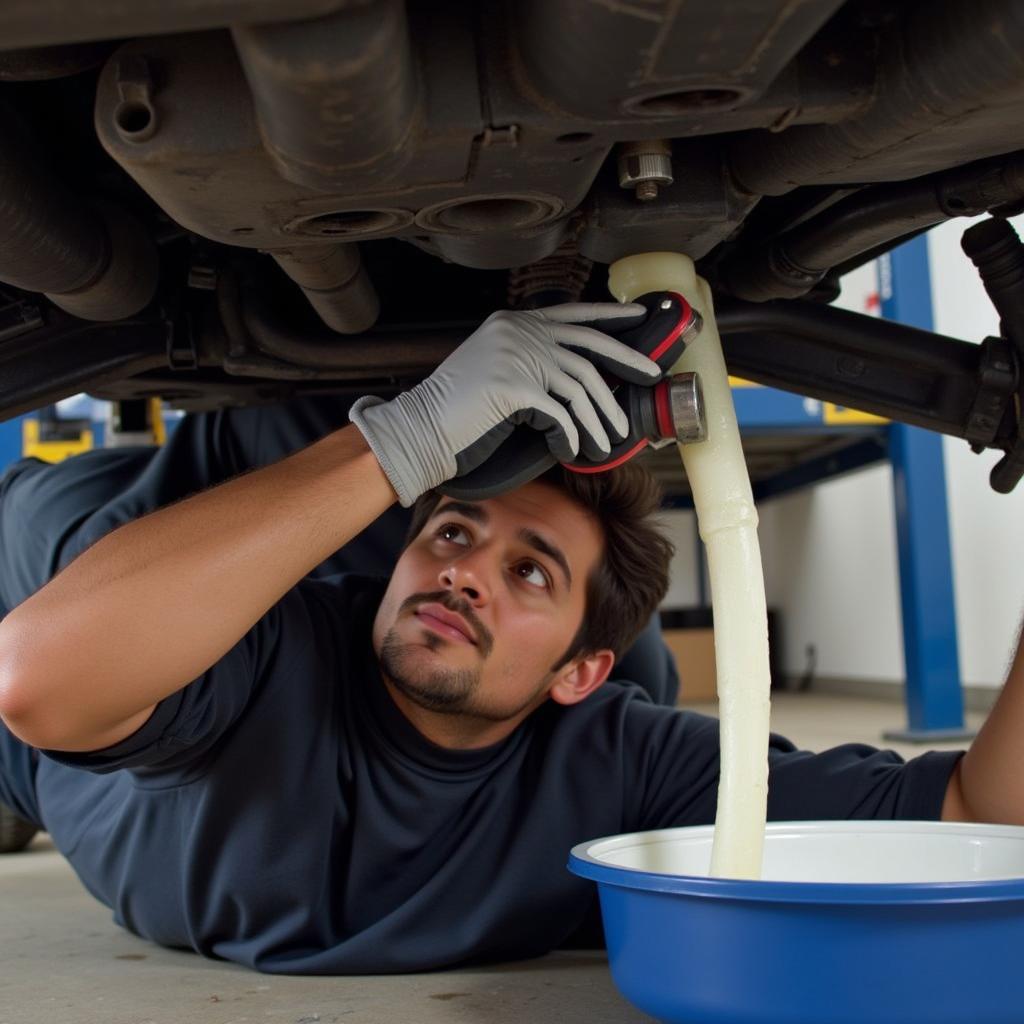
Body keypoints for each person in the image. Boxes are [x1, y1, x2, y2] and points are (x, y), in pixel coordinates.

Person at [0, 302, 1017, 975]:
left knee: (636, 651)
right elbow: (37, 670)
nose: (465, 570)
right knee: (172, 496)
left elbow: (979, 811)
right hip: (84, 556)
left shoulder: (618, 757)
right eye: (453, 532)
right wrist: (412, 434)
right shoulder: (282, 651)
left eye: (525, 568)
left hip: (83, 724)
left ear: (582, 678)